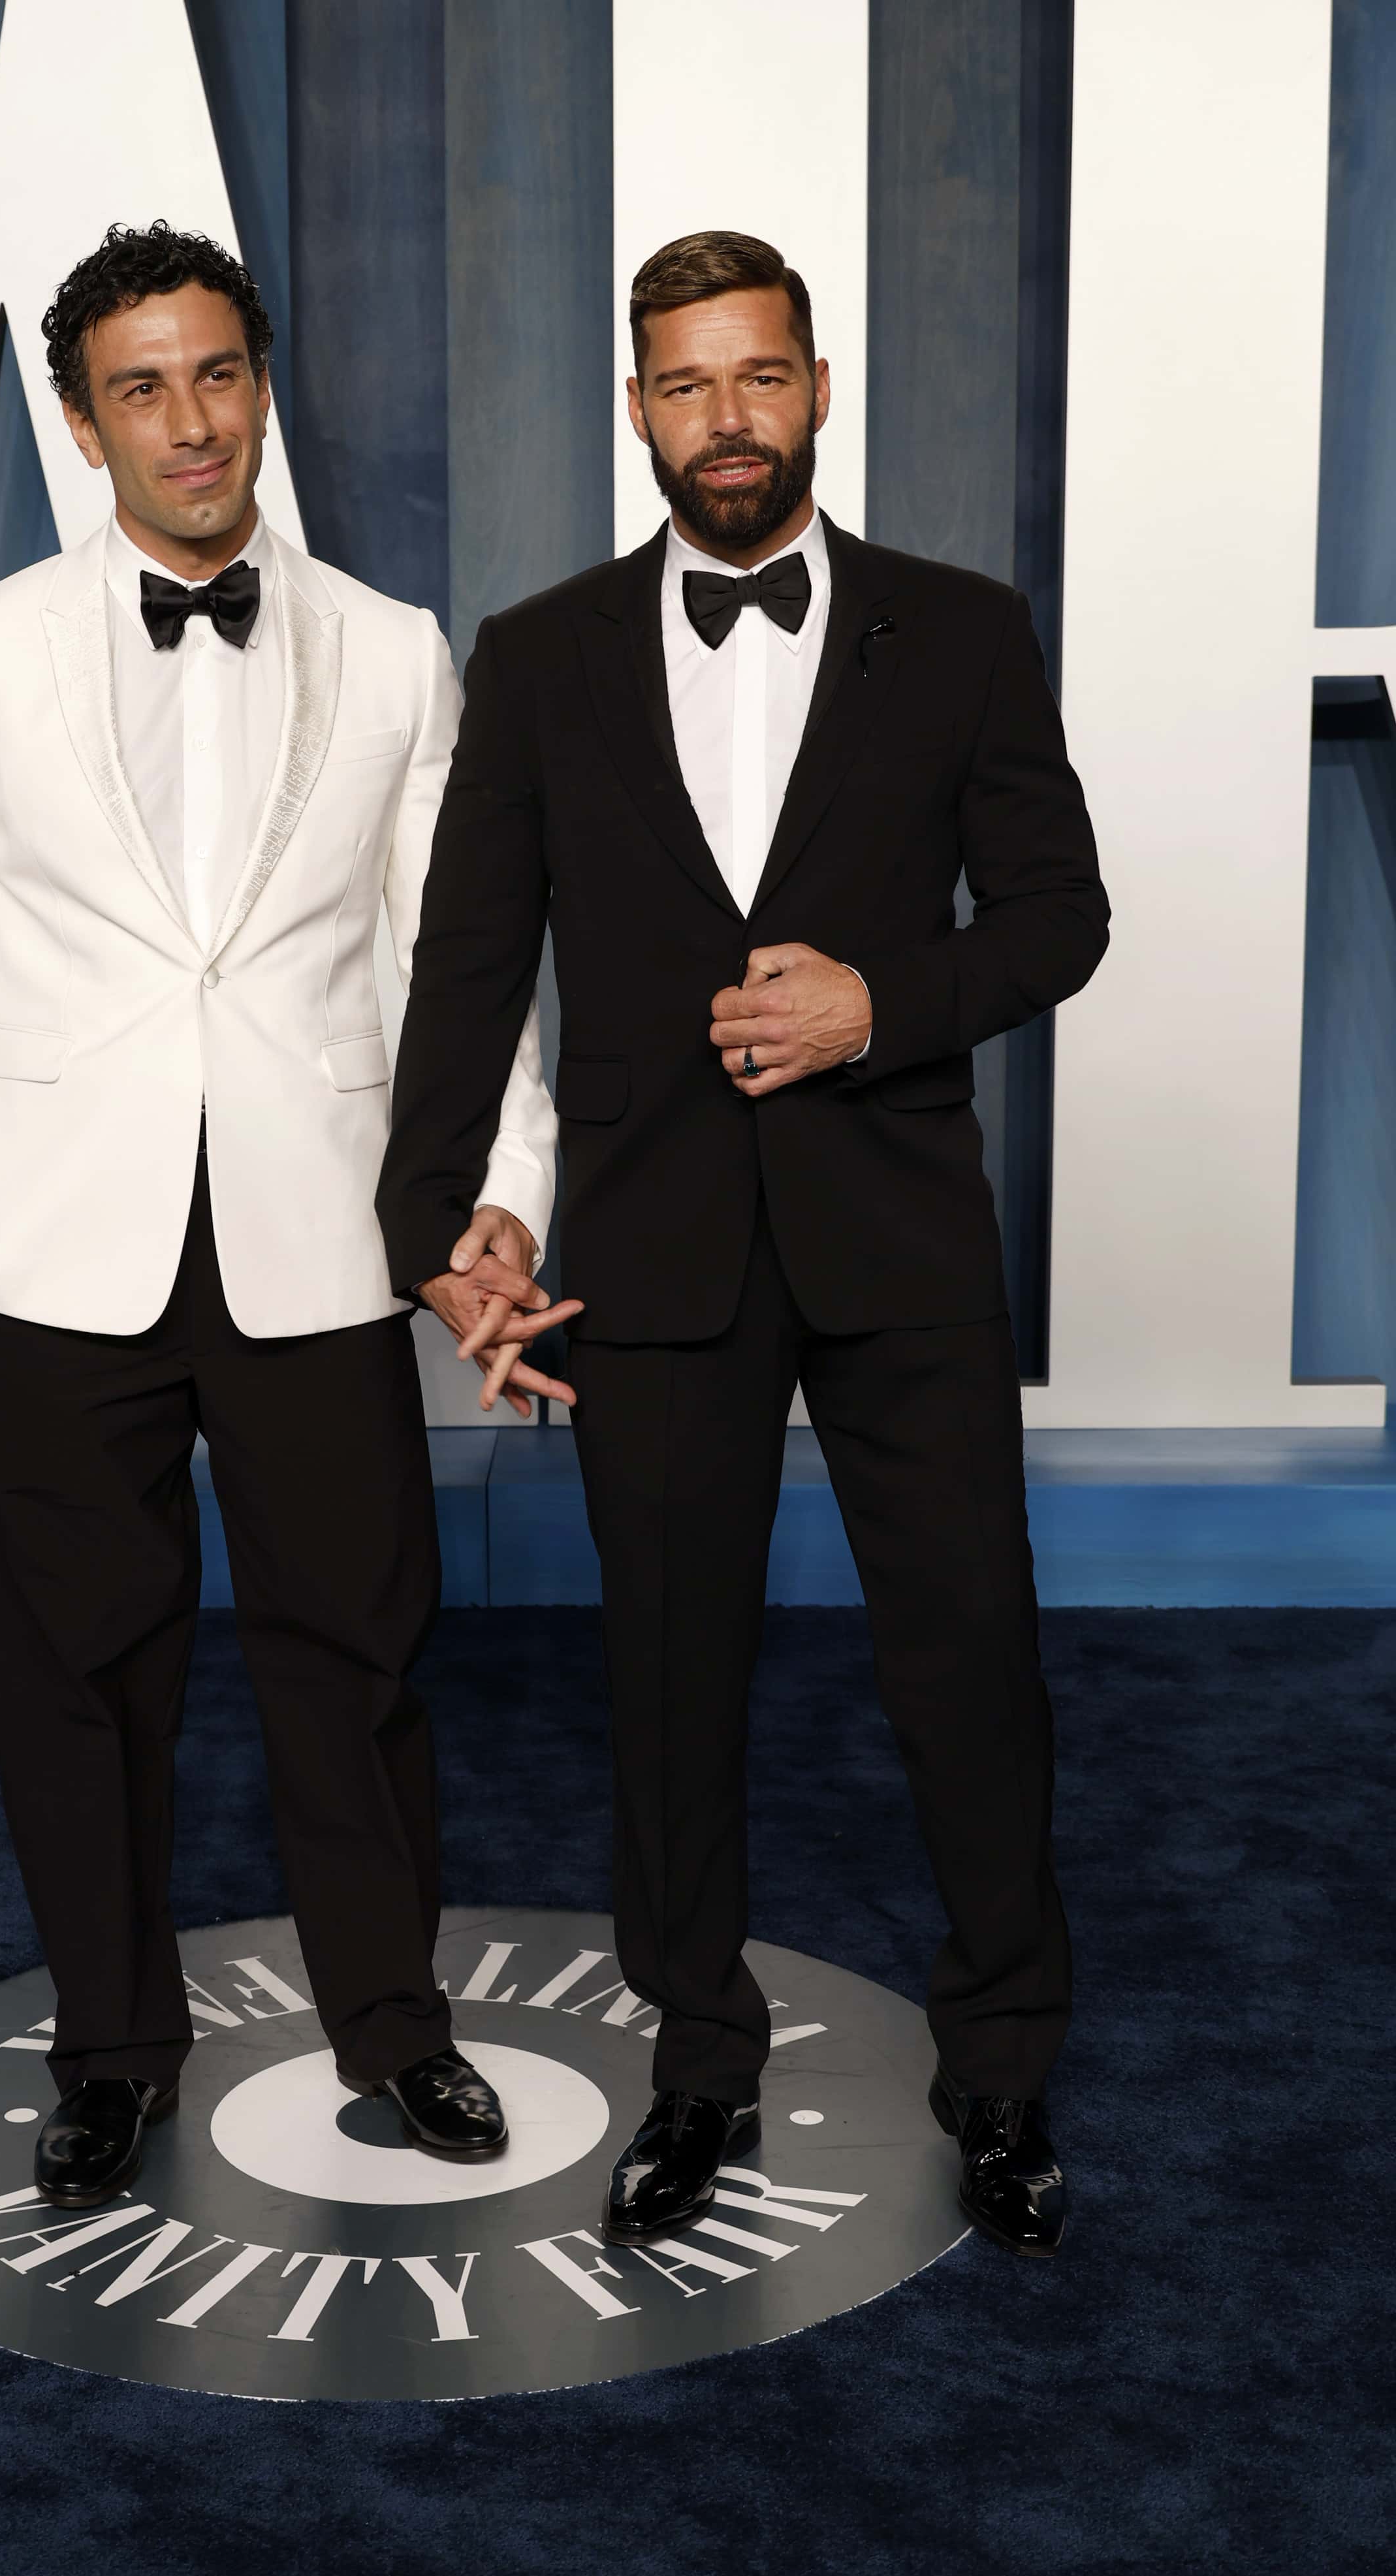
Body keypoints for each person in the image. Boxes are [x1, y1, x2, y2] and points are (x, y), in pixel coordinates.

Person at [379, 230, 1109, 2259]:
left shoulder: (961, 631)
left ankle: (1005, 2065)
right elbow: (466, 963)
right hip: (655, 1245)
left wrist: (883, 1002)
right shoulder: (534, 656)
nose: (726, 419)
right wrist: (438, 1218)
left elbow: (1060, 916)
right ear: (636, 406)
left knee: (970, 1661)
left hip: (899, 1241)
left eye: (760, 378)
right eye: (686, 384)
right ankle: (697, 2065)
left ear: (816, 387)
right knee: (669, 1684)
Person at [0, 221, 564, 2209]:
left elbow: (459, 964)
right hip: (47, 1255)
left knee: (355, 1656)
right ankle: (108, 2045)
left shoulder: (394, 641)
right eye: (143, 388)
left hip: (325, 1240)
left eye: (219, 374)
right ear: (84, 428)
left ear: (264, 385)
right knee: (78, 1678)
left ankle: (396, 2034)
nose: (192, 421)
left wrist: (498, 1190)